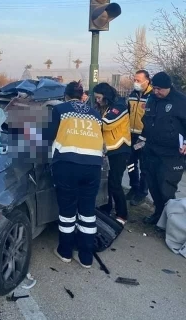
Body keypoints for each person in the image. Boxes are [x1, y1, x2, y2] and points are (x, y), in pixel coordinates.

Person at [46, 81, 104, 269]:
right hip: (93, 166)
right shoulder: (95, 114)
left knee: (67, 210)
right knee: (87, 211)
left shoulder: (61, 110)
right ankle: (86, 257)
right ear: (82, 96)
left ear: (65, 96)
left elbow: (48, 136)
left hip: (68, 165)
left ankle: (65, 251)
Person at [136, 71, 186, 225]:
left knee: (166, 188)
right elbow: (146, 121)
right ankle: (158, 214)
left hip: (171, 154)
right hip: (151, 150)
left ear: (168, 87)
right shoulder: (152, 98)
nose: (156, 91)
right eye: (154, 88)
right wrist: (140, 142)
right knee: (153, 185)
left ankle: (170, 222)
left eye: (159, 89)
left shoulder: (181, 101)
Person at [93, 82, 131, 225]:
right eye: (95, 98)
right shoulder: (105, 107)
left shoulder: (119, 107)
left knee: (115, 183)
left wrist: (90, 120)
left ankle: (122, 215)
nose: (97, 100)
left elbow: (107, 124)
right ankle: (106, 208)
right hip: (108, 149)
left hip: (120, 149)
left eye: (99, 97)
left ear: (106, 95)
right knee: (107, 182)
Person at [127, 70, 153, 206]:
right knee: (130, 163)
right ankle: (134, 186)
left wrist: (144, 136)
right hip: (131, 135)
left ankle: (142, 192)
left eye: (138, 80)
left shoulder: (153, 96)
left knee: (144, 166)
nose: (136, 82)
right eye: (135, 80)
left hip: (145, 137)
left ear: (147, 80)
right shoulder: (132, 95)